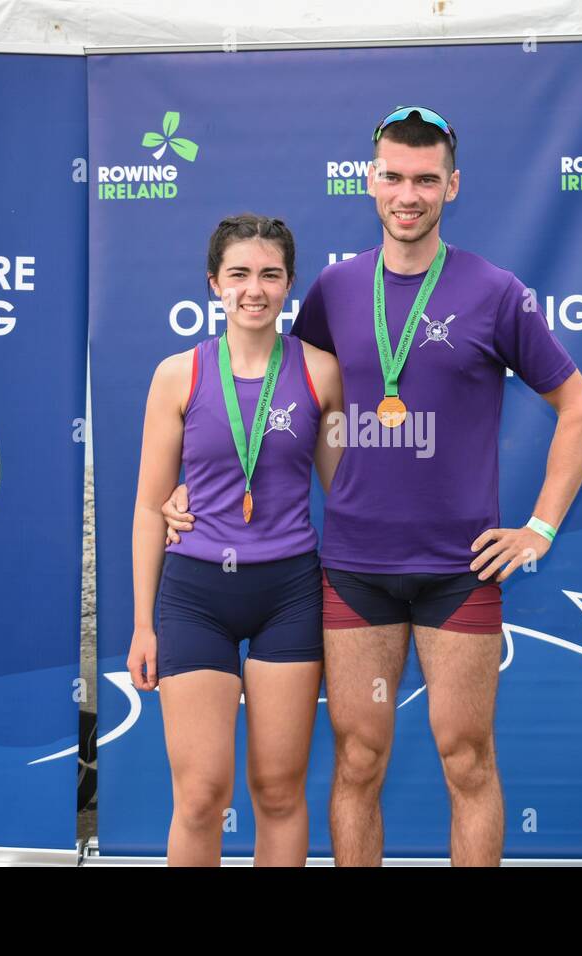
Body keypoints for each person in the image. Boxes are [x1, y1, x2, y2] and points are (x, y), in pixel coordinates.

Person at [165, 108, 582, 866]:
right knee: (358, 763)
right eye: (394, 176)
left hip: (459, 574)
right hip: (355, 569)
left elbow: (580, 408)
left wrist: (541, 528)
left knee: (467, 761)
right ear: (372, 183)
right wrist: (186, 494)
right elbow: (279, 403)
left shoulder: (496, 292)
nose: (409, 194)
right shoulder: (334, 289)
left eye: (426, 179)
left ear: (451, 186)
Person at [128, 213, 343, 866]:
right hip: (195, 596)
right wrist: (143, 624)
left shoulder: (322, 373)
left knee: (278, 792)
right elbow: (146, 507)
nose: (255, 288)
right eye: (239, 274)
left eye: (270, 274)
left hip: (290, 596)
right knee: (199, 795)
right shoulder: (177, 374)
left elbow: (348, 496)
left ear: (289, 285)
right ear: (213, 284)